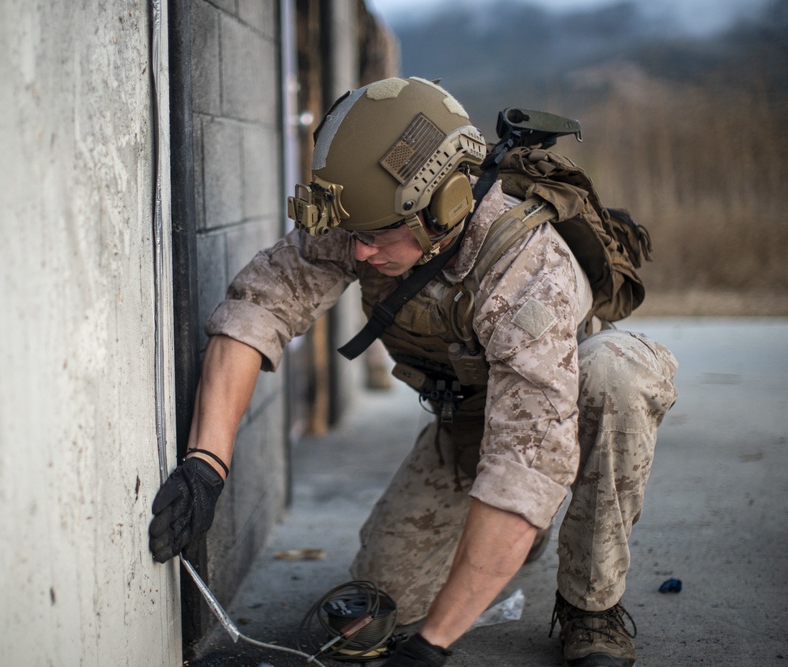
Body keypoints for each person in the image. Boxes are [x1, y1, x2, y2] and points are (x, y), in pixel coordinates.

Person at [148, 76, 678, 667]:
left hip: (557, 417)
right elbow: (259, 305)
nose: (358, 254)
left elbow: (526, 459)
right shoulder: (367, 226)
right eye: (352, 237)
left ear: (443, 208)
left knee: (615, 374)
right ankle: (518, 538)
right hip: (468, 428)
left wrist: (433, 647)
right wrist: (206, 465)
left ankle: (592, 607)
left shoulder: (530, 268)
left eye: (374, 239)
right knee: (377, 605)